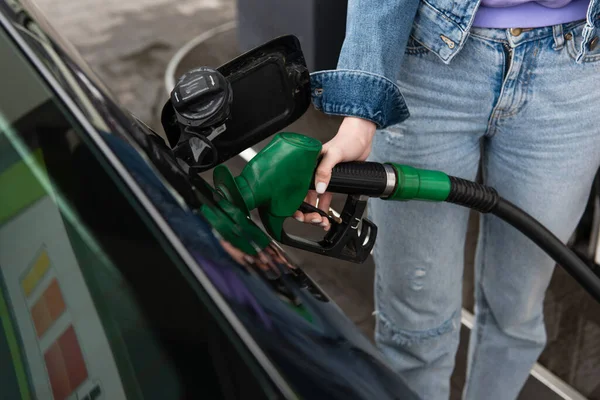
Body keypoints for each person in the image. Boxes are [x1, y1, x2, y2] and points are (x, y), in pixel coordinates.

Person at [294, 1, 600, 399]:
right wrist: (361, 113)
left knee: (517, 315)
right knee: (415, 324)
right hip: (431, 62)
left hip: (577, 67)